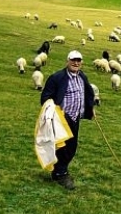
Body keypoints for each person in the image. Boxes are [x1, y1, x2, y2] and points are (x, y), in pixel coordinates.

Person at [40, 50, 95, 189]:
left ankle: (57, 171)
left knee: (72, 146)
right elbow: (45, 97)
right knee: (64, 147)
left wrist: (90, 109)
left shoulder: (82, 76)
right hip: (61, 119)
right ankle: (62, 174)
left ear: (81, 62)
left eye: (78, 60)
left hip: (75, 117)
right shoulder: (57, 78)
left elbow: (87, 93)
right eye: (73, 60)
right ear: (67, 61)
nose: (76, 63)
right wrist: (54, 113)